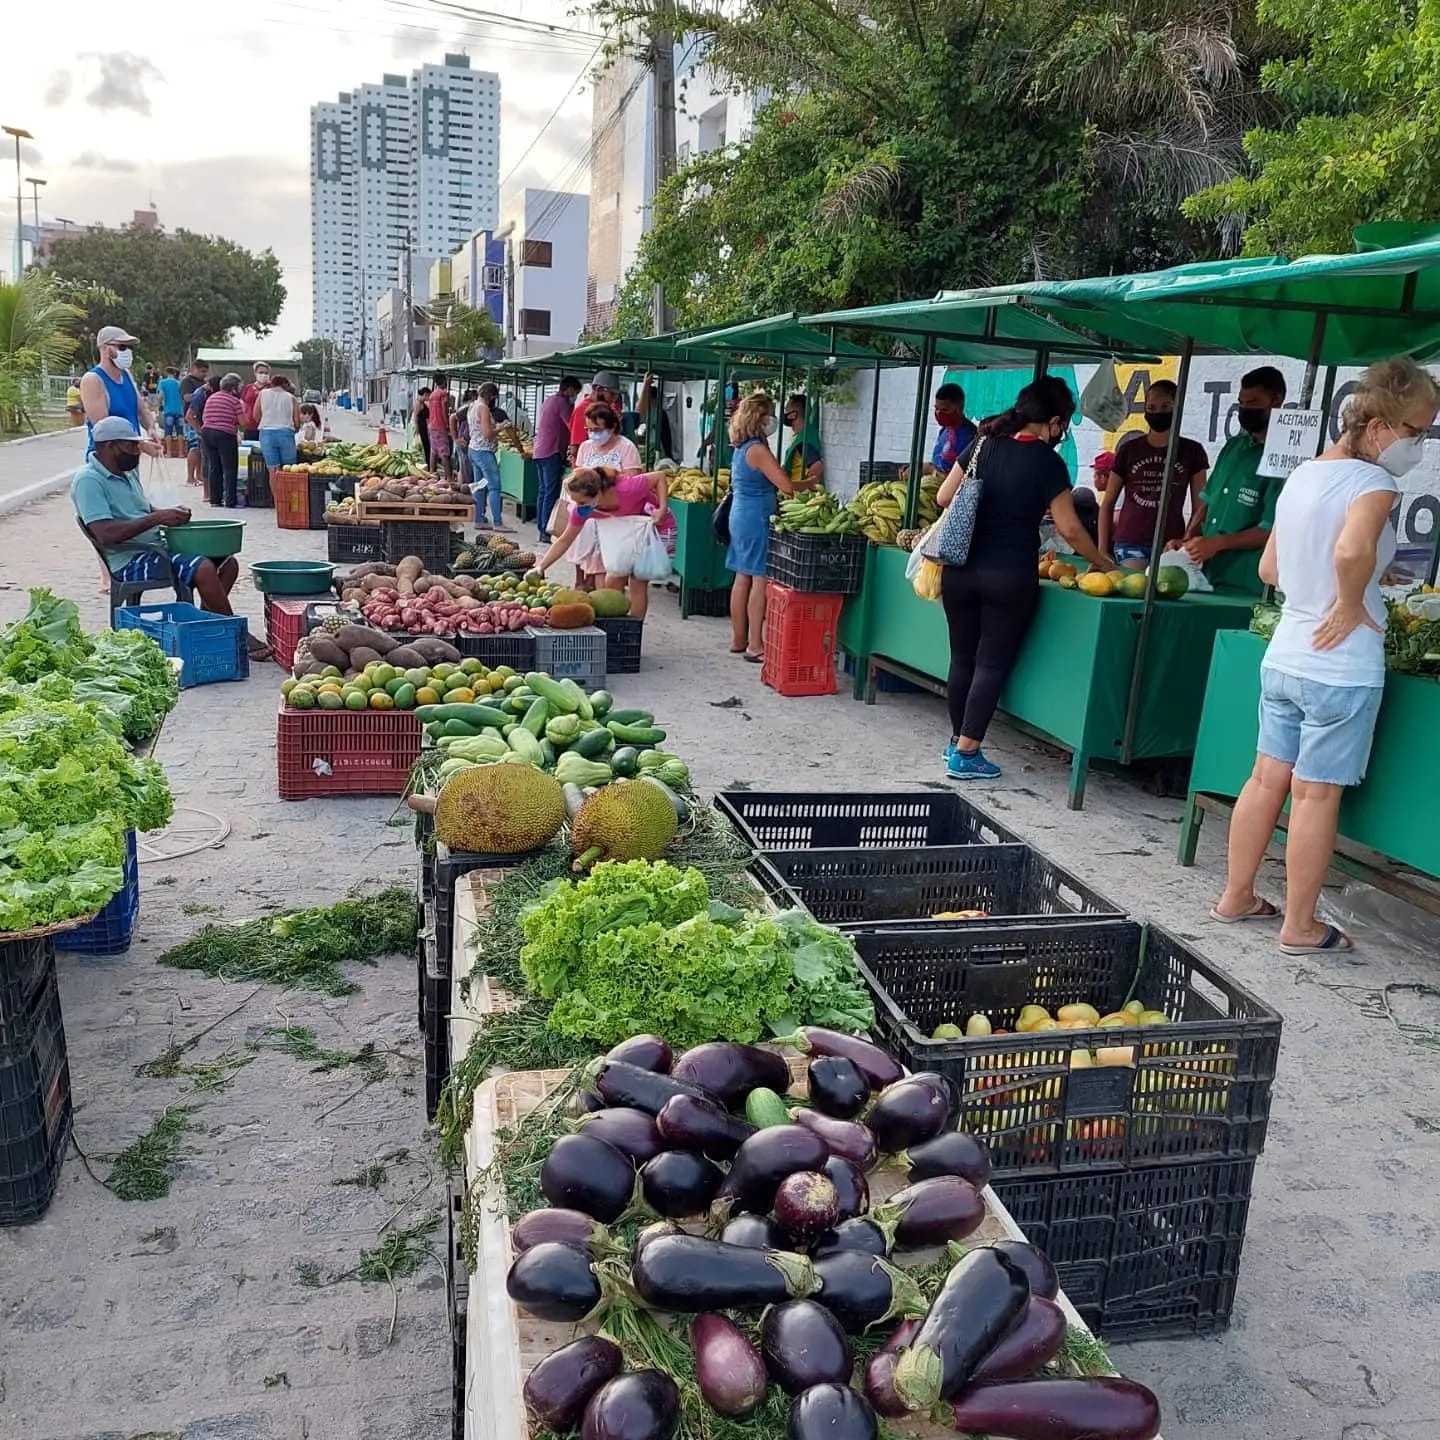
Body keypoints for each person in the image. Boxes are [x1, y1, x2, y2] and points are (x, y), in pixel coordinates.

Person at [1210, 358, 1440, 953]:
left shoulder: (1305, 474)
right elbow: (1351, 548)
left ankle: (1237, 896)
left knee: (1265, 779)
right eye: (1416, 432)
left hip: (1285, 656)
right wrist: (1347, 601)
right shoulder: (1375, 484)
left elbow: (1270, 568)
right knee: (1315, 794)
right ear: (1381, 426)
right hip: (1340, 666)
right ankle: (1301, 925)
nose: (1418, 444)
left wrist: (1348, 587)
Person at [936, 376, 1112, 781]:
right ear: (1052, 421)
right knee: (991, 662)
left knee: (962, 657)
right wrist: (1102, 561)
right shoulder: (1048, 463)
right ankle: (968, 752)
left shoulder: (982, 443)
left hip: (959, 570)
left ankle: (955, 743)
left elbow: (945, 497)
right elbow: (1069, 529)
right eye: (1063, 423)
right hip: (1009, 575)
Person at [72, 417, 268, 658]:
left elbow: (142, 509)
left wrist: (168, 514)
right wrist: (156, 519)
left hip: (156, 546)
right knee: (203, 568)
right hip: (129, 559)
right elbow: (106, 534)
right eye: (131, 446)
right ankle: (236, 634)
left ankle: (205, 625)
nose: (137, 451)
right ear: (109, 446)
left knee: (227, 563)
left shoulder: (127, 473)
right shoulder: (89, 480)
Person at [1171, 366, 1289, 594]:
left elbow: (1272, 529)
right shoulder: (1233, 447)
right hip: (1205, 575)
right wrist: (1188, 541)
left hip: (1245, 581)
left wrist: (1217, 544)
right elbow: (1206, 500)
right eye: (1241, 403)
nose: (1245, 409)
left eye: (1253, 403)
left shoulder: (1284, 462)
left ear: (1276, 400)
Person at [725, 393, 813, 661]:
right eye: (770, 414)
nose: (774, 420)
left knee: (742, 576)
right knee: (759, 579)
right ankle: (755, 645)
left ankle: (738, 639)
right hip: (757, 519)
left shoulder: (741, 448)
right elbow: (784, 484)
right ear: (759, 418)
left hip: (739, 516)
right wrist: (808, 484)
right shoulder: (758, 450)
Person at [80, 325, 162, 594]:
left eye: (129, 347)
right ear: (105, 348)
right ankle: (110, 572)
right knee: (105, 514)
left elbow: (140, 408)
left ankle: (134, 556)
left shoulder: (126, 375)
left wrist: (151, 428)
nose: (127, 352)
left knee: (131, 507)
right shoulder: (93, 380)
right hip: (108, 457)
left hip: (131, 453)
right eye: (122, 346)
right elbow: (103, 426)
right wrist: (140, 446)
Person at [1099, 379, 1209, 568]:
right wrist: (1101, 550)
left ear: (1177, 407)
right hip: (1130, 540)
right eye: (1151, 407)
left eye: (1165, 406)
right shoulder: (1129, 450)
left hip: (1171, 544)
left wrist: (1187, 540)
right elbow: (1107, 503)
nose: (1158, 412)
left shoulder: (1192, 451)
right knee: (1136, 587)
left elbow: (1201, 506)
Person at [536, 466, 671, 619]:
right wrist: (541, 567)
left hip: (654, 530)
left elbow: (659, 476)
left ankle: (634, 629)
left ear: (597, 493)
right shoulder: (581, 510)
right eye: (574, 501)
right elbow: (565, 540)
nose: (578, 506)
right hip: (626, 533)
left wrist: (662, 507)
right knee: (613, 578)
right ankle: (615, 626)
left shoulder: (627, 489)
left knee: (637, 581)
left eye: (581, 501)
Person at [534, 375, 581, 544]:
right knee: (550, 493)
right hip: (551, 452)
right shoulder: (562, 403)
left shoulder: (549, 400)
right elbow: (571, 425)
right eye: (575, 392)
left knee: (542, 492)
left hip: (540, 451)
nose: (575, 395)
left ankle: (541, 526)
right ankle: (546, 530)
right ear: (568, 389)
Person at [468, 382, 512, 532]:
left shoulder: (472, 406)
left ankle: (479, 519)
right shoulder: (483, 408)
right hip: (484, 451)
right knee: (494, 487)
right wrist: (501, 426)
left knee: (480, 486)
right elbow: (487, 433)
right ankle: (498, 523)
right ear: (492, 396)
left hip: (473, 449)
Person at [201, 373, 246, 508]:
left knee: (214, 466)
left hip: (207, 433)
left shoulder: (211, 398)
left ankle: (215, 500)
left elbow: (204, 416)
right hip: (225, 434)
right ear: (233, 387)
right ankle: (230, 501)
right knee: (230, 468)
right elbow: (243, 422)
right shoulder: (234, 401)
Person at [576, 401, 643, 472]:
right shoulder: (585, 447)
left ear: (612, 427)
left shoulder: (627, 448)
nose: (592, 434)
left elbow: (631, 480)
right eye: (589, 429)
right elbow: (578, 477)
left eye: (597, 430)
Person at [256, 373, 301, 471]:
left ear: (272, 384)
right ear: (286, 385)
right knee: (288, 469)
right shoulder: (291, 398)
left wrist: (265, 422)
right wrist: (296, 430)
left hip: (266, 434)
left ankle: (275, 487)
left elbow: (256, 415)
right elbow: (297, 421)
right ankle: (287, 487)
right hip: (286, 433)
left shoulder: (262, 394)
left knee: (273, 469)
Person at [782, 394, 824, 488]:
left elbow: (817, 466)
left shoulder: (804, 439)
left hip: (799, 495)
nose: (784, 414)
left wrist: (806, 487)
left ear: (793, 415)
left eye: (786, 410)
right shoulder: (801, 435)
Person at [184, 372, 213, 488]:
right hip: (194, 423)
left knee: (200, 451)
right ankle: (190, 478)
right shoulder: (200, 393)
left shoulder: (203, 391)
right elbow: (189, 415)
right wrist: (199, 430)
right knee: (194, 448)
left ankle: (199, 476)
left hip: (198, 423)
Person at [428, 374, 454, 481]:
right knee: (444, 452)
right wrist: (447, 424)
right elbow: (444, 410)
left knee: (434, 450)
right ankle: (449, 477)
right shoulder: (443, 394)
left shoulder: (432, 394)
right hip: (440, 425)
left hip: (432, 425)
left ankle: (432, 474)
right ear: (444, 381)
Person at [156, 366, 184, 455]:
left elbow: (160, 395)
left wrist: (158, 404)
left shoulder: (162, 382)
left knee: (168, 432)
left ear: (166, 373)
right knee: (180, 432)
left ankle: (169, 452)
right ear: (174, 373)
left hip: (168, 410)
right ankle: (181, 453)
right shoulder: (179, 383)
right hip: (179, 410)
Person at [452, 388, 476, 490]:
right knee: (465, 468)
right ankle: (465, 491)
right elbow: (452, 418)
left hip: (465, 441)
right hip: (464, 441)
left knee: (462, 468)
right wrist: (456, 438)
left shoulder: (470, 407)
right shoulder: (468, 407)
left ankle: (462, 491)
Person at [240, 363, 269, 442]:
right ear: (255, 373)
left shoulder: (271, 387)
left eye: (266, 373)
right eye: (261, 372)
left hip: (266, 426)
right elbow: (242, 404)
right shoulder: (248, 387)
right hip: (250, 426)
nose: (264, 375)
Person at [413, 388, 433, 470]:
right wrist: (417, 429)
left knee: (427, 446)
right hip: (422, 426)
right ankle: (427, 464)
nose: (429, 398)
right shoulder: (418, 403)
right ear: (425, 394)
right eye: (428, 395)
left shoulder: (423, 403)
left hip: (425, 426)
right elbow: (415, 417)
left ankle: (428, 463)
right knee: (425, 446)